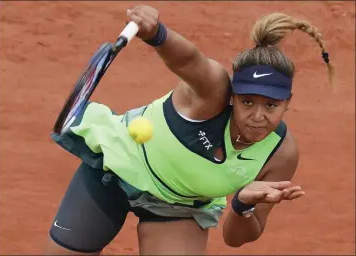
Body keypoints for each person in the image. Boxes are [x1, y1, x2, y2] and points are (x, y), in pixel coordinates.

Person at [46, 5, 334, 255]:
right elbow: (189, 60)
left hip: (179, 205)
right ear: (232, 96)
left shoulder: (281, 154)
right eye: (247, 102)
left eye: (271, 106)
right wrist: (157, 33)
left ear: (287, 105)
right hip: (118, 168)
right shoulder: (212, 91)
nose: (257, 116)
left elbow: (235, 239)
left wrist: (242, 205)